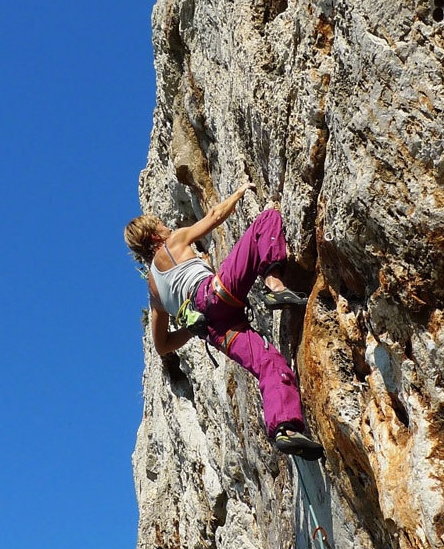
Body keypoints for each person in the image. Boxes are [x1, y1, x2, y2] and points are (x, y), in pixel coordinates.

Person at [124, 183, 323, 460]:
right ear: (154, 235)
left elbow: (163, 345)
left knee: (269, 362)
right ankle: (274, 286)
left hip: (214, 330)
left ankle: (285, 429)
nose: (166, 226)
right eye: (160, 224)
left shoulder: (154, 292)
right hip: (215, 295)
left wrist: (192, 328)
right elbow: (215, 216)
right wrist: (240, 192)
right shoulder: (173, 242)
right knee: (266, 220)